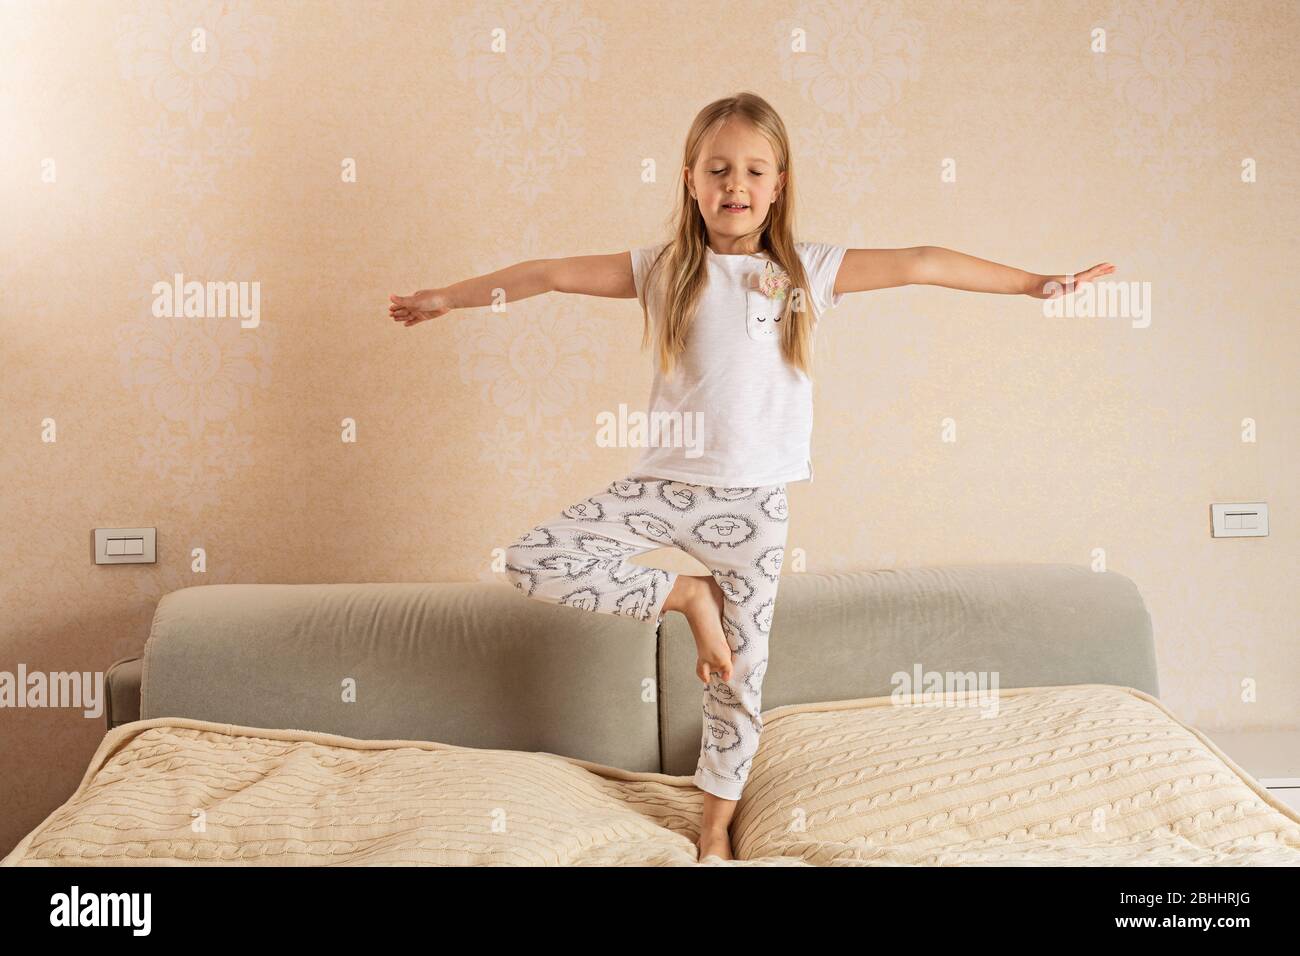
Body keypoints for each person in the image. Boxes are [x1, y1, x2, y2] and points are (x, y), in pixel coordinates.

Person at [387, 91, 1113, 862]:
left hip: (754, 509)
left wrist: (1038, 283)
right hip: (661, 492)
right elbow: (547, 273)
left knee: (739, 677)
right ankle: (686, 596)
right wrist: (448, 299)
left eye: (753, 170)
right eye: (718, 169)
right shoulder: (663, 270)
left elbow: (923, 261)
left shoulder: (807, 273)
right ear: (691, 180)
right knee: (530, 559)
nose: (735, 183)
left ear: (778, 184)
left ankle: (714, 826)